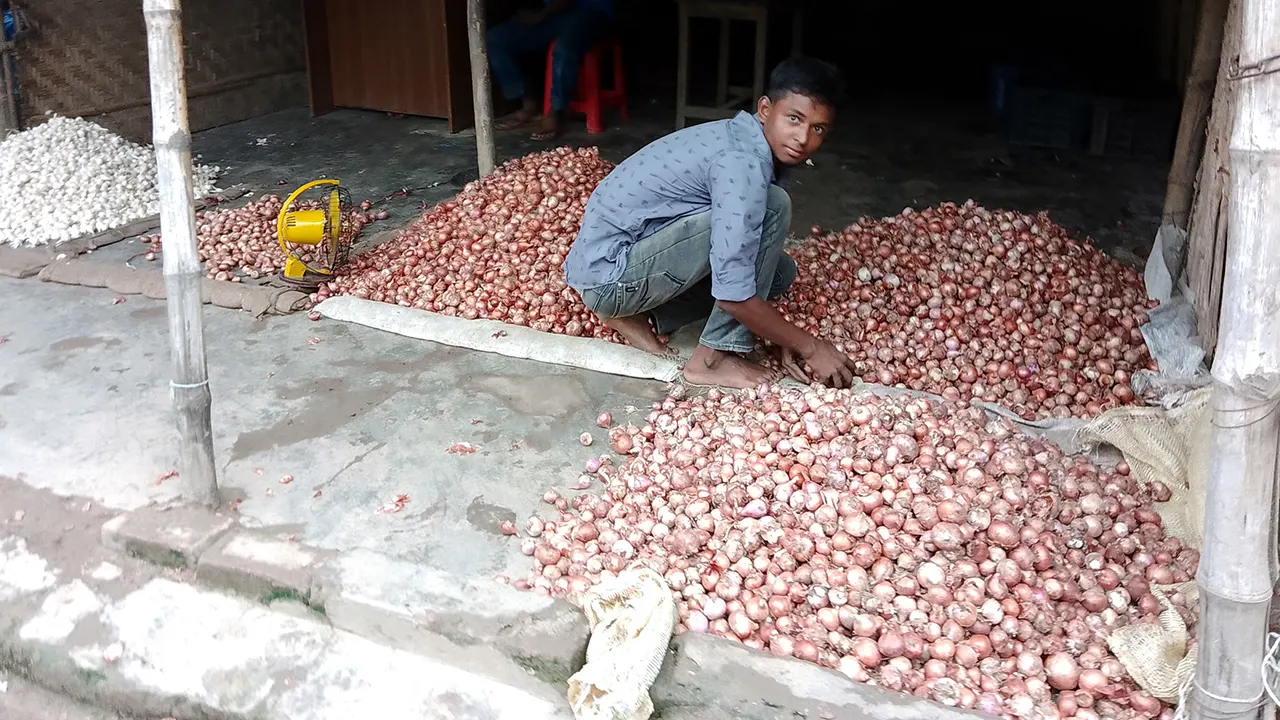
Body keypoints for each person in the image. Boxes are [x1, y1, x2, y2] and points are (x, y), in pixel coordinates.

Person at [565, 57, 860, 390]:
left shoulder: (741, 135)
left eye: (817, 128)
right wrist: (810, 346)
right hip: (612, 277)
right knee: (773, 207)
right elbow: (734, 294)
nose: (803, 138)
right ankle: (710, 359)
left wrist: (773, 330)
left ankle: (644, 315)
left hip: (608, 265)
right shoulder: (742, 163)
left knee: (779, 274)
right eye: (794, 119)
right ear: (765, 109)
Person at [486, 0, 615, 141]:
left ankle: (555, 111)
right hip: (553, 16)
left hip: (591, 14)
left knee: (563, 49)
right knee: (495, 39)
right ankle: (528, 105)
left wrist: (541, 15)